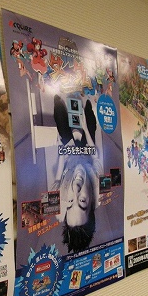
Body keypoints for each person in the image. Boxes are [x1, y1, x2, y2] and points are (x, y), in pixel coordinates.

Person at [51, 94, 102, 253]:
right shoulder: (97, 185)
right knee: (90, 123)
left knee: (61, 121)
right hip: (87, 152)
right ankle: (88, 106)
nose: (75, 188)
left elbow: (59, 176)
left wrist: (62, 149)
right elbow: (95, 156)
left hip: (70, 155)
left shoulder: (60, 197)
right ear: (91, 201)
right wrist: (85, 129)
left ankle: (57, 99)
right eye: (82, 201)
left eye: (70, 201)